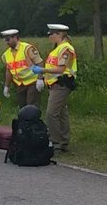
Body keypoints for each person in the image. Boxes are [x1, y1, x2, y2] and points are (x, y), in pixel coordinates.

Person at [31, 24, 78, 153]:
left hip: (61, 84)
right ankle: (63, 142)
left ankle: (56, 142)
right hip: (54, 84)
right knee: (62, 114)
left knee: (51, 113)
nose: (50, 36)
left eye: (51, 34)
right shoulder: (58, 48)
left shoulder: (65, 49)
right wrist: (42, 77)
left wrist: (42, 70)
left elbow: (61, 69)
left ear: (59, 34)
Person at [0, 29, 44, 108]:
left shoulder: (27, 48)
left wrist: (40, 79)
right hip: (20, 83)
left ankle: (33, 120)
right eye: (5, 40)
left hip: (32, 81)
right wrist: (7, 86)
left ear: (15, 38)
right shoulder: (6, 54)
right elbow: (9, 71)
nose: (7, 42)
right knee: (22, 107)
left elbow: (39, 63)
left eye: (8, 39)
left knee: (31, 107)